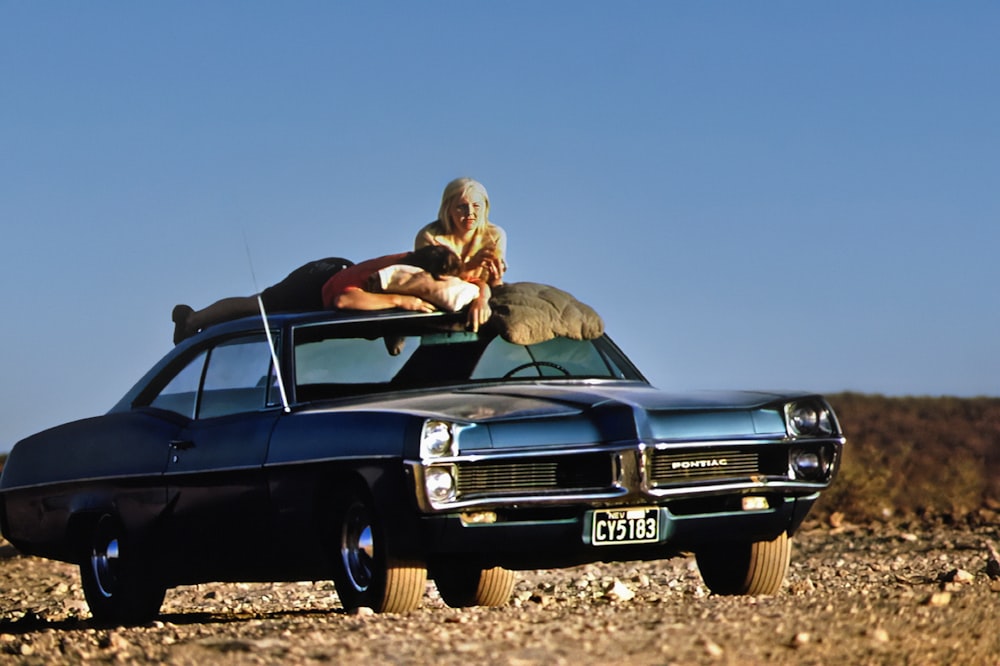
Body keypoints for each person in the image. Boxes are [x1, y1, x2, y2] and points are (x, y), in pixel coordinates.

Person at [171, 246, 461, 344]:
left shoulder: (423, 268)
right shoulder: (404, 274)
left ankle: (205, 324)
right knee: (258, 306)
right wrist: (400, 301)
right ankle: (192, 319)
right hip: (319, 282)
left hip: (334, 272)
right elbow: (344, 301)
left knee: (260, 309)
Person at [414, 177, 508, 331]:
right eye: (461, 207)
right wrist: (469, 266)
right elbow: (427, 282)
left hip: (481, 297)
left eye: (476, 206)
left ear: (485, 208)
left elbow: (494, 283)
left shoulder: (494, 235)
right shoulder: (430, 237)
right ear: (448, 209)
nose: (470, 213)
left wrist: (496, 278)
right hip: (440, 301)